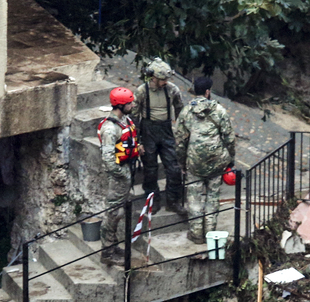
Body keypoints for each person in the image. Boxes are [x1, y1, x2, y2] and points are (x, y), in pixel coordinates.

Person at [176, 77, 235, 244]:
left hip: (194, 162)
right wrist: (230, 159)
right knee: (212, 197)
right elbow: (229, 138)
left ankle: (196, 235)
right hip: (216, 162)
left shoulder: (186, 112)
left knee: (194, 198)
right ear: (208, 92)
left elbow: (180, 141)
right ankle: (210, 232)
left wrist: (182, 163)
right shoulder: (219, 111)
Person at [135, 58, 185, 212]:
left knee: (174, 167)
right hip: (148, 130)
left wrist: (181, 133)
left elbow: (180, 111)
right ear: (153, 77)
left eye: (166, 79)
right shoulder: (142, 91)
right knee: (150, 169)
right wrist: (137, 141)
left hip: (166, 130)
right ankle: (152, 200)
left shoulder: (172, 90)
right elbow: (135, 117)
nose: (165, 82)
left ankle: (173, 201)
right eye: (162, 79)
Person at [98, 86, 141, 262]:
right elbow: (108, 158)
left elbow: (125, 144)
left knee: (117, 212)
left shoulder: (125, 120)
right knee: (113, 213)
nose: (132, 105)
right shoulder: (110, 129)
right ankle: (107, 253)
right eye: (129, 103)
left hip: (126, 169)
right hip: (118, 175)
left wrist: (137, 149)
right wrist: (121, 174)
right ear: (120, 105)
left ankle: (113, 246)